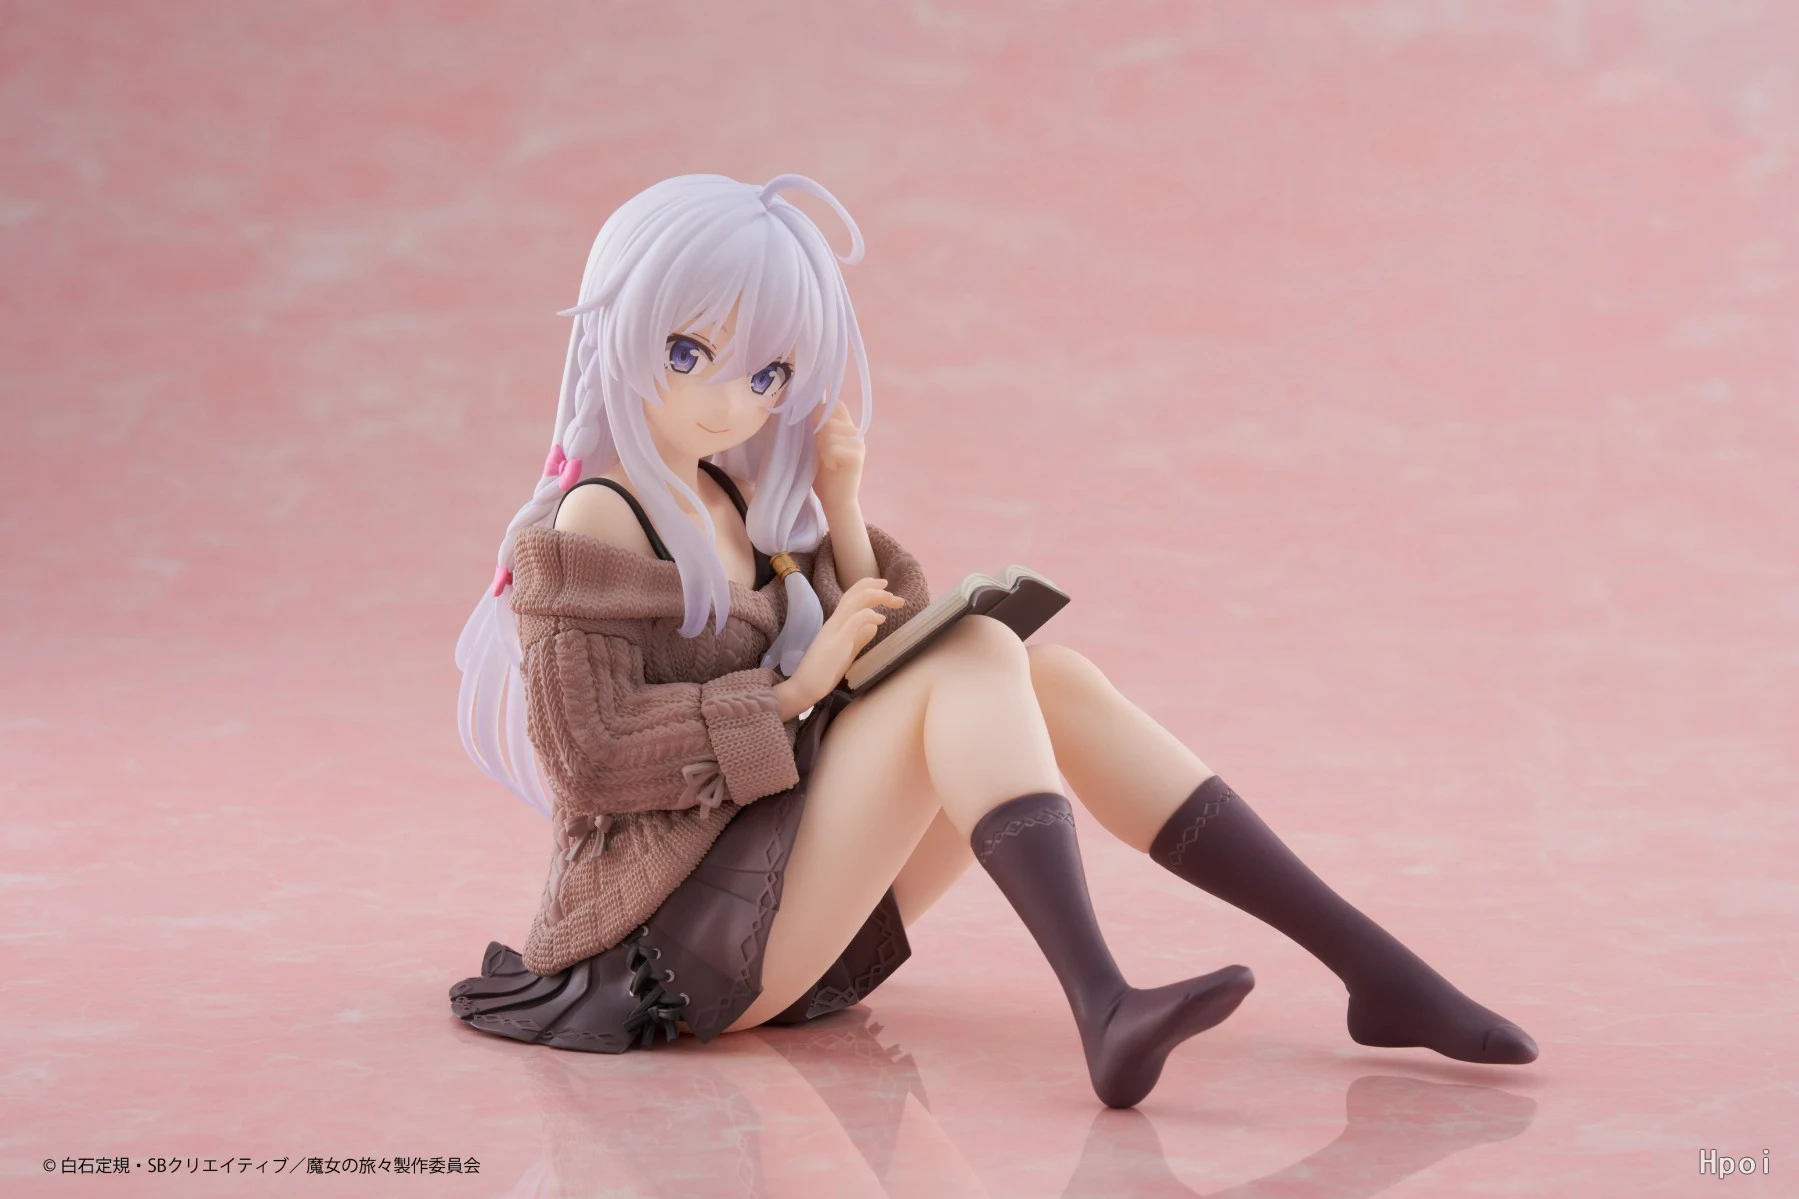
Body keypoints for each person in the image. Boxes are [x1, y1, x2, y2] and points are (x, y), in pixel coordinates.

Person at [448, 173, 1536, 1110]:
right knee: (975, 661)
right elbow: (585, 752)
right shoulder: (598, 517)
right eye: (691, 352)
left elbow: (877, 656)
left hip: (780, 902)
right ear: (624, 327)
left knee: (1047, 676)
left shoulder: (734, 498)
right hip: (671, 944)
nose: (734, 402)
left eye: (767, 374)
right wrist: (783, 697)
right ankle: (1103, 1000)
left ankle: (1371, 967)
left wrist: (841, 500)